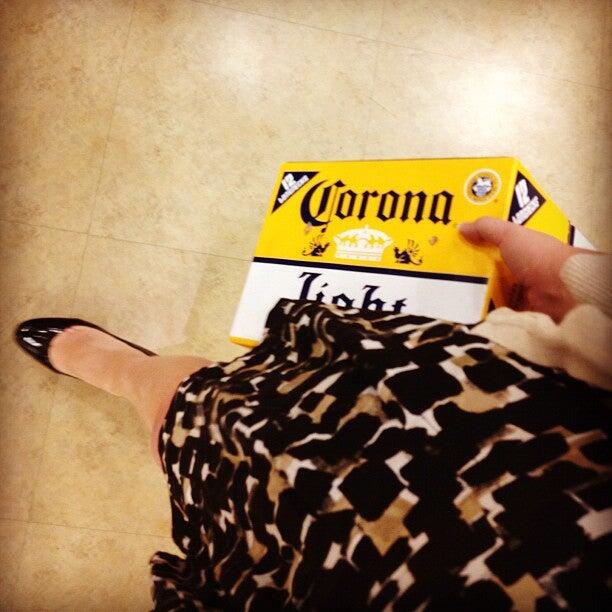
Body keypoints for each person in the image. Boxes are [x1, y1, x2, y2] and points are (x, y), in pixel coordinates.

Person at [14, 217, 611, 610]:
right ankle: (134, 373)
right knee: (214, 411)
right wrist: (573, 273)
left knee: (224, 461)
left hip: (373, 573)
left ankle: (147, 386)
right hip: (525, 421)